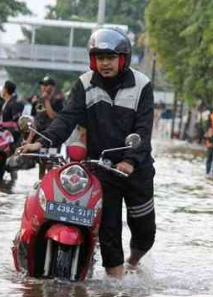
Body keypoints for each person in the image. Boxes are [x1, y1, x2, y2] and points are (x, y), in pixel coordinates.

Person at [18, 28, 156, 279]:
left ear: (122, 58)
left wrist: (130, 161)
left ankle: (134, 262)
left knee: (144, 230)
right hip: (102, 168)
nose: (105, 63)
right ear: (93, 59)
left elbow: (144, 130)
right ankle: (115, 284)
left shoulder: (142, 85)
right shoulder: (84, 84)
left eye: (110, 57)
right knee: (109, 230)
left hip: (136, 168)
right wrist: (42, 142)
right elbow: (67, 117)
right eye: (100, 57)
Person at [24, 75, 63, 178]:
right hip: (40, 136)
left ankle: (49, 185)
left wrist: (46, 101)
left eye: (47, 85)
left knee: (50, 163)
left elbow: (53, 116)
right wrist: (29, 139)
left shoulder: (58, 101)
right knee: (41, 163)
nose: (44, 87)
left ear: (53, 87)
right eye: (42, 85)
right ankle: (41, 186)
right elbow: (33, 121)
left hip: (52, 137)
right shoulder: (36, 101)